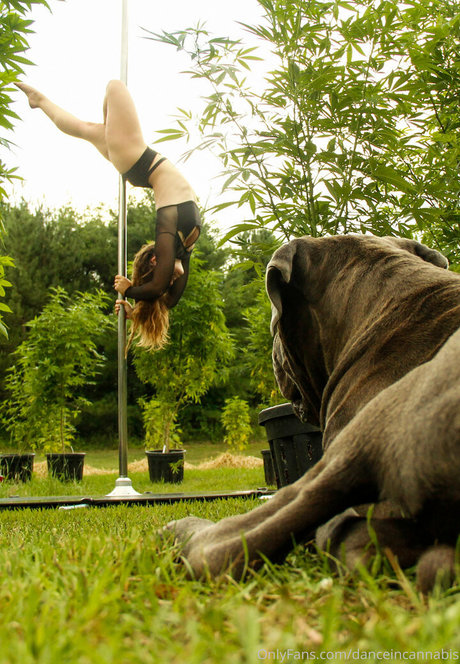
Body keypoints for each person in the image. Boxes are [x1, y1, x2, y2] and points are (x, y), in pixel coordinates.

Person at [16, 79, 201, 350]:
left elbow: (157, 285)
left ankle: (45, 102)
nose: (175, 280)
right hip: (135, 162)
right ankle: (40, 101)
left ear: (155, 260)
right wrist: (135, 311)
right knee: (87, 128)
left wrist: (129, 290)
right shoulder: (183, 249)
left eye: (168, 278)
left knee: (114, 87)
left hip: (136, 158)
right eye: (173, 280)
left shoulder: (169, 233)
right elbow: (167, 299)